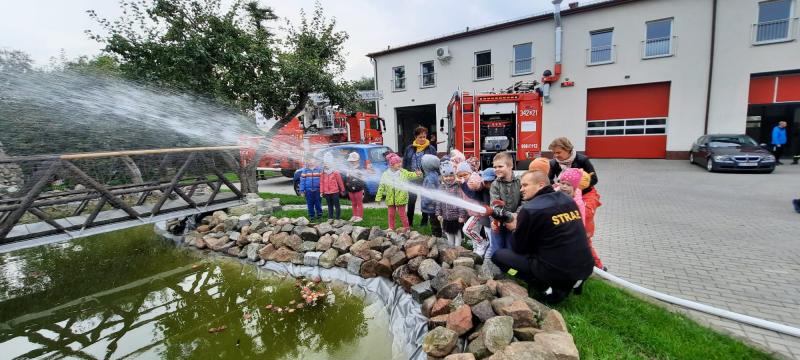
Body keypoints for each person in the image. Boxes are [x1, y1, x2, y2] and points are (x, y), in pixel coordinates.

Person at [492, 171, 594, 304]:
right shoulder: (568, 200)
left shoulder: (530, 209)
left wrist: (515, 229)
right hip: (585, 267)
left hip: (558, 272)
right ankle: (574, 283)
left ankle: (546, 288)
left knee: (498, 256)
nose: (521, 189)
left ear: (541, 185)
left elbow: (519, 249)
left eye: (525, 185)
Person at [547, 137, 602, 252]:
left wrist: (577, 187)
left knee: (584, 223)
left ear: (568, 149)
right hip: (568, 195)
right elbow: (549, 180)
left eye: (558, 152)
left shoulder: (582, 160)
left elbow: (594, 179)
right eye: (554, 153)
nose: (556, 155)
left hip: (586, 194)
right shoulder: (554, 163)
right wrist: (556, 187)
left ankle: (595, 261)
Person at [558, 168, 604, 270]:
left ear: (576, 187)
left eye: (568, 185)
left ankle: (598, 267)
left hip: (583, 229)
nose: (564, 186)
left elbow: (582, 218)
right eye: (562, 183)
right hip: (571, 229)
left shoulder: (579, 202)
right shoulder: (561, 191)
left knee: (586, 247)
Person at [488, 152, 522, 260]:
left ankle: (510, 273)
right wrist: (506, 217)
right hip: (498, 221)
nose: (496, 169)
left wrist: (516, 215)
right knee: (497, 248)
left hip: (514, 222)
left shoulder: (519, 182)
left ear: (510, 166)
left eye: (500, 166)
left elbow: (525, 201)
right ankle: (496, 272)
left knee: (511, 246)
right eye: (494, 167)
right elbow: (495, 205)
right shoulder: (495, 184)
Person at [376, 153, 421, 231]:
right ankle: (391, 227)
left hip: (401, 198)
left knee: (402, 215)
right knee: (390, 214)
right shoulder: (385, 174)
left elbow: (411, 175)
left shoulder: (403, 172)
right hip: (390, 199)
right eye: (397, 163)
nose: (400, 164)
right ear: (391, 165)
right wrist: (378, 197)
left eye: (400, 162)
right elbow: (381, 186)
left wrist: (417, 174)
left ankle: (407, 228)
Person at [402, 126, 437, 226]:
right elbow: (405, 163)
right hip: (412, 178)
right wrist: (404, 175)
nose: (422, 139)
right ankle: (409, 222)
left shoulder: (431, 149)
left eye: (424, 137)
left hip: (426, 179)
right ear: (415, 137)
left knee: (425, 200)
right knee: (411, 200)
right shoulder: (409, 148)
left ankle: (424, 221)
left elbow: (435, 164)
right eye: (420, 137)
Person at [437, 162, 467, 246]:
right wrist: (438, 213)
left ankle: (458, 248)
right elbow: (438, 201)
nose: (448, 178)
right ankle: (451, 248)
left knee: (457, 233)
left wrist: (461, 215)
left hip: (456, 217)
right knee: (449, 233)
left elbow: (461, 203)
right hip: (446, 217)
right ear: (442, 177)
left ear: (454, 176)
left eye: (451, 176)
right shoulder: (441, 187)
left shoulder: (457, 187)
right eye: (446, 176)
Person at [463, 172, 491, 256]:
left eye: (464, 174)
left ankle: (482, 244)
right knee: (472, 231)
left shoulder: (485, 190)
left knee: (467, 229)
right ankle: (477, 252)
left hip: (480, 215)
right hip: (473, 214)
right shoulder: (468, 186)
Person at [420, 154, 443, 237]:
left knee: (434, 222)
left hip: (431, 206)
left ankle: (436, 236)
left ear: (427, 166)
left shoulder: (430, 178)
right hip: (433, 205)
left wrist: (425, 202)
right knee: (435, 221)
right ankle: (438, 234)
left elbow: (430, 193)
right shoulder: (434, 174)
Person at [297, 157, 323, 221]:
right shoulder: (305, 170)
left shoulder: (319, 170)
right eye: (309, 161)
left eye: (312, 161)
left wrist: (322, 190)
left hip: (317, 190)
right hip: (308, 190)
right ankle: (311, 215)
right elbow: (302, 181)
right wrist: (302, 191)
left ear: (315, 162)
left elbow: (322, 181)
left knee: (318, 203)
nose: (311, 162)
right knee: (310, 203)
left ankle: (319, 214)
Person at [344, 152, 367, 222]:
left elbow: (363, 179)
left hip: (358, 189)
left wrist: (360, 185)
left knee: (359, 203)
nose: (352, 162)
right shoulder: (349, 169)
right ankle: (354, 215)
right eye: (351, 161)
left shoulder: (361, 168)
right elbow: (347, 178)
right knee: (353, 203)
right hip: (350, 189)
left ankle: (360, 216)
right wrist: (347, 185)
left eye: (353, 161)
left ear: (358, 160)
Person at [320, 156, 345, 220]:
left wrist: (342, 190)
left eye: (327, 163)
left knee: (337, 205)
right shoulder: (323, 173)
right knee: (329, 206)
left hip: (335, 192)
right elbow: (321, 183)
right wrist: (321, 191)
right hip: (327, 193)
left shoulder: (335, 172)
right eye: (325, 163)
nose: (326, 165)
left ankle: (337, 218)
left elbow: (340, 181)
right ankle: (330, 218)